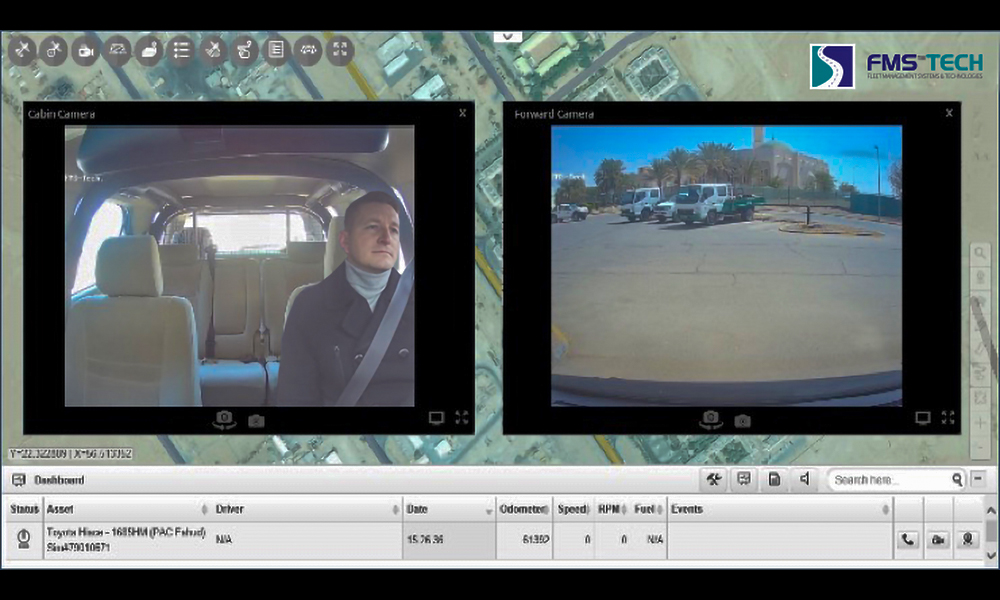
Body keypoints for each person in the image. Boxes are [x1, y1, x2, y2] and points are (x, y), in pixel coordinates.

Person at [275, 191, 414, 407]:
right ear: (345, 241)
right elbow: (295, 398)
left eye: (394, 230)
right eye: (373, 227)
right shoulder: (309, 306)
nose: (386, 238)